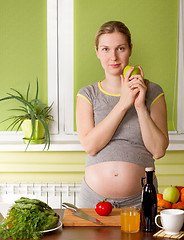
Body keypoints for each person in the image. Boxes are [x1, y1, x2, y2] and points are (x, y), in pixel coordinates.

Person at [76, 21, 169, 208]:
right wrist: (123, 104)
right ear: (96, 51)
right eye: (105, 49)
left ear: (130, 49)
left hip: (141, 199)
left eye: (120, 48)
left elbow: (158, 150)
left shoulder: (153, 92)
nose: (113, 57)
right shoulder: (87, 94)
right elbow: (91, 146)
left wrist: (140, 106)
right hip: (93, 200)